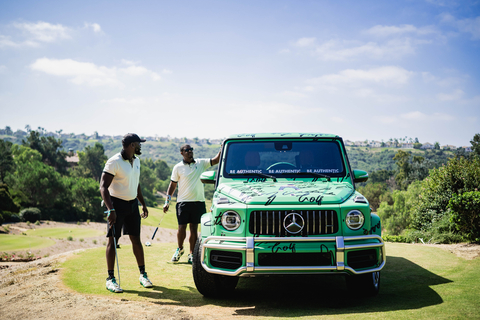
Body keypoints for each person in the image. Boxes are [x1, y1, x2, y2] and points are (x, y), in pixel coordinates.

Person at [100, 133, 153, 293]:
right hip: (116, 204)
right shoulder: (114, 162)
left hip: (132, 205)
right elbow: (103, 187)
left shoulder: (136, 161)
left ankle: (143, 274)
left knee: (136, 240)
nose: (140, 146)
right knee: (113, 241)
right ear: (131, 145)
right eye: (138, 143)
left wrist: (142, 203)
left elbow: (136, 185)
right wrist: (111, 209)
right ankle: (110, 279)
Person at [163, 144, 221, 264]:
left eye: (191, 150)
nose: (190, 152)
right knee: (181, 227)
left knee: (194, 228)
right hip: (183, 202)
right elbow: (172, 185)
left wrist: (222, 147)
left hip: (198, 201)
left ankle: (192, 254)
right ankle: (179, 249)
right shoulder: (177, 167)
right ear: (181, 153)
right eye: (187, 150)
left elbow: (216, 160)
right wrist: (167, 201)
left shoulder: (200, 163)